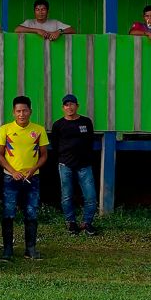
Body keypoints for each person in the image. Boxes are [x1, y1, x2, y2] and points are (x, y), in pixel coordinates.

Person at [0, 95, 49, 260]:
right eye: (18, 111)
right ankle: (7, 250)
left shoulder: (39, 130)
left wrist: (33, 169)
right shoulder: (5, 129)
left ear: (30, 111)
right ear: (13, 112)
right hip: (10, 178)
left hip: (32, 178)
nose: (21, 114)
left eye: (25, 111)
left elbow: (44, 155)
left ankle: (30, 249)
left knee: (31, 213)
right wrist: (12, 171)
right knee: (8, 213)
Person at [49, 94, 99, 236]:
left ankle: (87, 223)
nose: (69, 107)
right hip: (65, 165)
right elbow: (55, 145)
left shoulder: (86, 122)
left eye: (72, 104)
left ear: (77, 106)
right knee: (67, 196)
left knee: (90, 196)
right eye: (66, 105)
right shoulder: (58, 125)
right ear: (63, 108)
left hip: (84, 165)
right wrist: (63, 158)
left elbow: (90, 141)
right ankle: (71, 222)